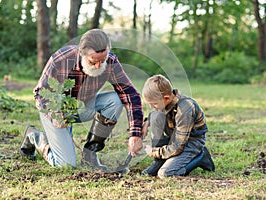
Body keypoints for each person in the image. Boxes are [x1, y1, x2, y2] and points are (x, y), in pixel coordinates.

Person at [20, 29, 143, 171]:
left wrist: (135, 134)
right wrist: (56, 116)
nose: (98, 66)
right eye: (94, 61)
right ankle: (35, 136)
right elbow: (40, 94)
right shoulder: (61, 60)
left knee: (116, 100)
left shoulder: (111, 62)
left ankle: (90, 154)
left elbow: (131, 95)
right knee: (66, 164)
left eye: (102, 60)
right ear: (82, 53)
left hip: (84, 106)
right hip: (56, 111)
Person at [141, 74, 215, 178]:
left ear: (166, 98)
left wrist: (154, 152)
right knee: (155, 116)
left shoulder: (185, 110)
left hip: (191, 141)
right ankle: (159, 162)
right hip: (176, 137)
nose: (152, 107)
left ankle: (201, 157)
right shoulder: (165, 101)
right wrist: (147, 122)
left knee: (165, 173)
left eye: (154, 104)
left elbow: (177, 147)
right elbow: (156, 113)